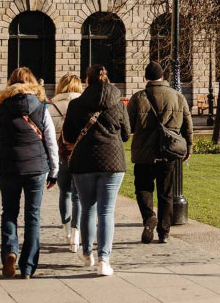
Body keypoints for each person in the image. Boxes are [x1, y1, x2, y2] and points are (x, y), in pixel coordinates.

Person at [0, 67, 59, 280]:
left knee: (9, 212)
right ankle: (28, 266)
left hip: (9, 167)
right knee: (33, 216)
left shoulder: (0, 108)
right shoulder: (41, 107)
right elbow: (50, 140)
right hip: (36, 168)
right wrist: (54, 171)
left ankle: (10, 251)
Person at [63, 65, 130, 276]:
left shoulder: (76, 105)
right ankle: (104, 259)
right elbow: (127, 133)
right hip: (112, 161)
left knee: (87, 208)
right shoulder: (117, 103)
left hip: (83, 162)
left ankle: (87, 254)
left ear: (87, 80)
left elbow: (68, 136)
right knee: (106, 211)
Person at [128, 61, 193, 245]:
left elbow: (129, 126)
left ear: (146, 78)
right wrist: (189, 146)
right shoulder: (177, 96)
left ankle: (149, 216)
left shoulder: (138, 97)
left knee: (142, 188)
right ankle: (164, 232)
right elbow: (188, 125)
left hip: (144, 153)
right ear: (163, 77)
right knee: (166, 193)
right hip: (169, 152)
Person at [48, 73, 84, 252]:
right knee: (78, 196)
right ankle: (76, 236)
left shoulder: (52, 106)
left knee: (65, 193)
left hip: (59, 154)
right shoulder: (84, 104)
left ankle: (67, 229)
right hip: (79, 154)